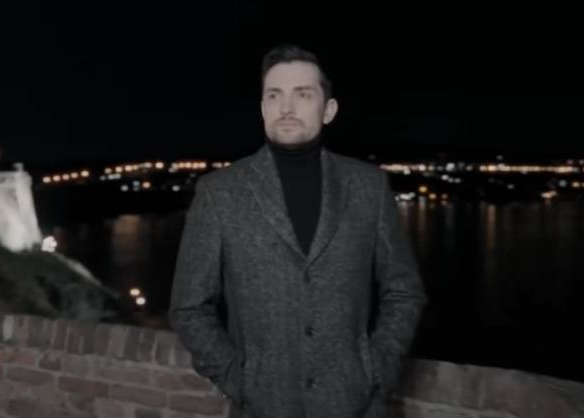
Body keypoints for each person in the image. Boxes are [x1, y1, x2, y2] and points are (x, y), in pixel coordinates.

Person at [169, 44, 428, 418]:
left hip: (357, 408)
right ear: (262, 108)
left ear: (329, 110)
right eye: (274, 95)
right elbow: (189, 307)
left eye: (302, 94)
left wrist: (377, 370)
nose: (286, 107)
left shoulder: (368, 187)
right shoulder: (219, 192)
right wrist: (238, 380)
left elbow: (404, 291)